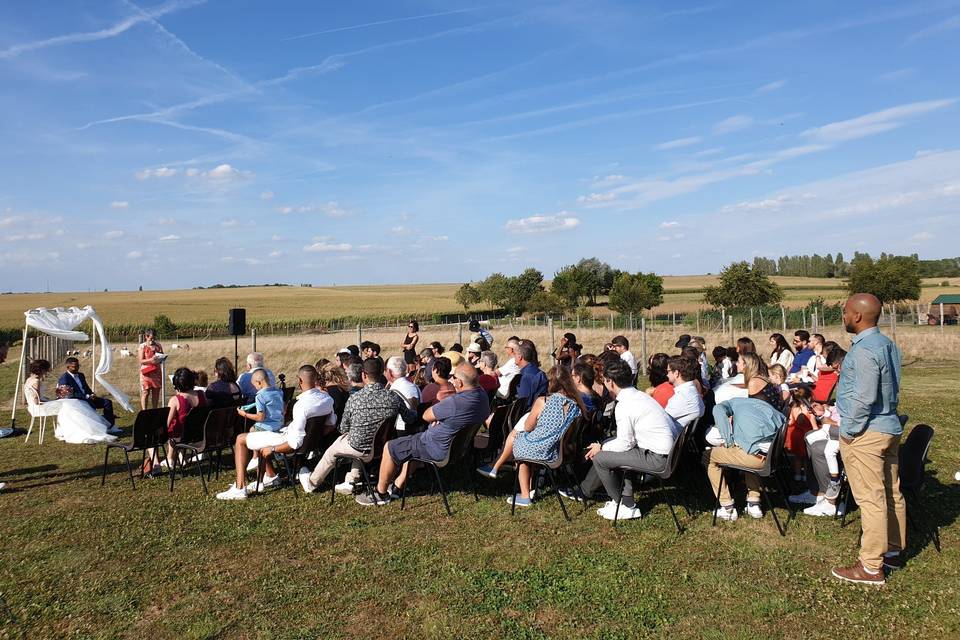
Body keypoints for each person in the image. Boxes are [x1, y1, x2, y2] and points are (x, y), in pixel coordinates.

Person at [831, 293, 905, 586]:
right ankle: (894, 550)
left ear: (858, 316)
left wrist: (849, 431)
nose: (844, 317)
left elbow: (864, 396)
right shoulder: (886, 344)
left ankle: (872, 567)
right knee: (891, 492)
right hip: (888, 426)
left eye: (846, 312)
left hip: (867, 432)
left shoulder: (862, 351)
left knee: (871, 499)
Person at [357, 363, 489, 505]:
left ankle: (380, 493)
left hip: (436, 448)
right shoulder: (482, 396)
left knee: (390, 447)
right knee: (411, 445)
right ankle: (397, 486)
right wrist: (444, 418)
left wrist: (440, 416)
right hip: (458, 448)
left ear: (460, 382)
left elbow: (426, 416)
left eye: (454, 377)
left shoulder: (455, 403)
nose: (451, 379)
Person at [574, 359, 679, 520]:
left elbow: (624, 444)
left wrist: (601, 448)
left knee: (601, 459)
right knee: (611, 446)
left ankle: (621, 503)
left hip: (657, 458)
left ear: (610, 382)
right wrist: (603, 444)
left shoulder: (624, 405)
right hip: (664, 452)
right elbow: (626, 441)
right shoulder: (639, 396)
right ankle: (627, 501)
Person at [217, 366, 335, 500]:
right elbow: (330, 425)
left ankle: (239, 488)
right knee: (262, 436)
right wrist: (313, 436)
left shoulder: (300, 405)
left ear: (299, 380)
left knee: (240, 439)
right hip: (305, 441)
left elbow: (294, 443)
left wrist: (272, 449)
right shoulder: (327, 399)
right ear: (315, 379)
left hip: (287, 441)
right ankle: (270, 476)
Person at [476, 366, 584, 507]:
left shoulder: (544, 401)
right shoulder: (575, 404)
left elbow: (528, 426)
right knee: (526, 442)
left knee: (518, 440)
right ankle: (529, 486)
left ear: (550, 383)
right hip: (561, 450)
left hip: (545, 451)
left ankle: (525, 495)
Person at [704, 396, 785, 521]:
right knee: (747, 453)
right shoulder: (759, 405)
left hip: (755, 458)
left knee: (708, 457)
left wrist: (728, 442)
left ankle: (727, 507)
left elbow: (727, 437)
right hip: (771, 457)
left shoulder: (724, 408)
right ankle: (754, 503)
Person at [215, 370, 284, 499]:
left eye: (255, 385)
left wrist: (245, 414)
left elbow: (260, 416)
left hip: (265, 429)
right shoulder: (278, 391)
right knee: (252, 430)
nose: (255, 388)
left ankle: (242, 484)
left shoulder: (260, 396)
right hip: (277, 428)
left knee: (242, 438)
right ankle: (268, 474)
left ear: (259, 382)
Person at [23, 359, 117, 445]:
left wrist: (91, 394)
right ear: (42, 370)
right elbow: (37, 400)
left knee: (68, 406)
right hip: (38, 407)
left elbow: (35, 398)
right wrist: (50, 401)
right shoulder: (38, 381)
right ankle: (77, 430)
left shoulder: (29, 379)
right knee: (69, 406)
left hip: (33, 407)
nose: (47, 372)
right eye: (46, 370)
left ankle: (101, 426)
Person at [58, 356, 120, 435]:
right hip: (78, 401)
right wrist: (86, 397)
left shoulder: (81, 375)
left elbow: (86, 387)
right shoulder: (64, 378)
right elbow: (68, 394)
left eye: (78, 366)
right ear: (68, 367)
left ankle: (110, 426)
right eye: (74, 367)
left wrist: (91, 394)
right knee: (91, 406)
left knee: (107, 402)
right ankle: (97, 428)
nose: (77, 368)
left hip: (88, 397)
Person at [160, 368, 207, 471]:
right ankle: (180, 457)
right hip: (199, 434)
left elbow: (167, 423)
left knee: (173, 427)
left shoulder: (175, 400)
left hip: (181, 436)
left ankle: (170, 458)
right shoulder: (201, 395)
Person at [664, 356, 704, 429]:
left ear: (676, 373)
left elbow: (662, 420)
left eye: (668, 371)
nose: (667, 375)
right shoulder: (693, 391)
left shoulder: (682, 397)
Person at [385, 355, 420, 434]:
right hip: (418, 429)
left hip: (401, 431)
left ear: (390, 372)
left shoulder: (393, 391)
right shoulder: (415, 387)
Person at [515, 340, 548, 412]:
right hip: (540, 411)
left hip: (529, 415)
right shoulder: (539, 372)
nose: (514, 356)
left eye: (515, 354)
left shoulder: (526, 377)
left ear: (520, 357)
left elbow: (523, 404)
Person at [138, 328, 164, 410]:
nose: (152, 340)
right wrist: (151, 360)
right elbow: (140, 360)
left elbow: (162, 355)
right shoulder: (142, 346)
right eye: (150, 338)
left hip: (156, 372)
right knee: (145, 392)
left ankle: (154, 411)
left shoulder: (158, 345)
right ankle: (144, 411)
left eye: (154, 338)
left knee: (156, 392)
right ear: (146, 337)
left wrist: (161, 358)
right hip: (146, 373)